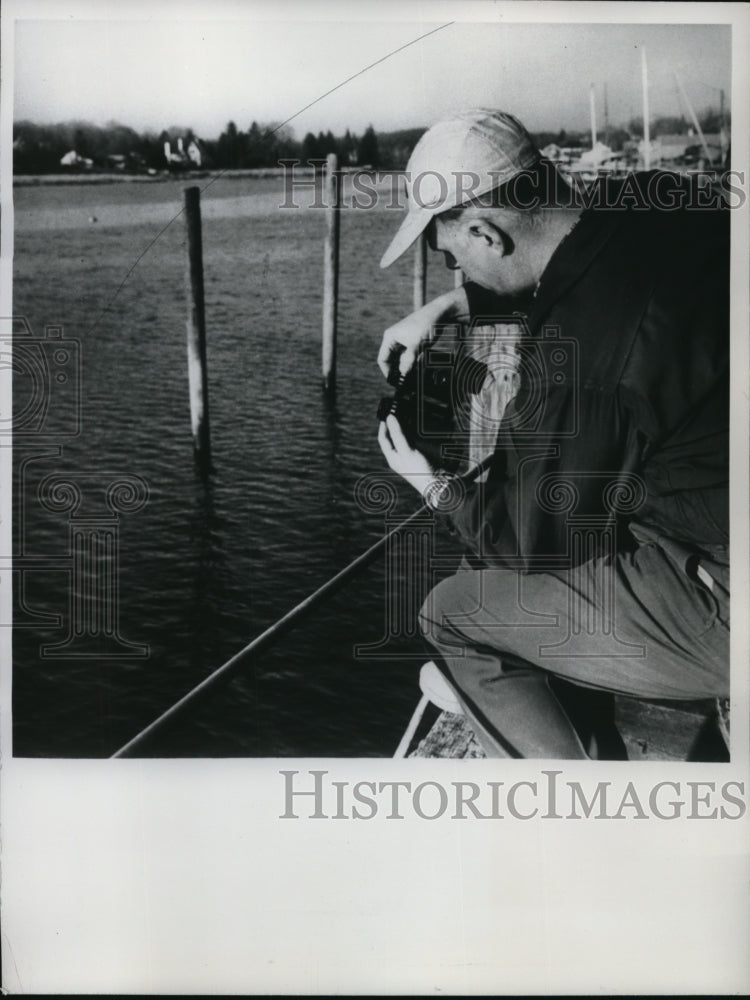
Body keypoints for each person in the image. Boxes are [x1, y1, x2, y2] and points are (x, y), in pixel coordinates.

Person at [377, 109, 729, 759]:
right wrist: (449, 307)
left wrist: (431, 483)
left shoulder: (580, 370)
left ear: (485, 231)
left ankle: (580, 812)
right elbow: (586, 268)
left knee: (451, 612)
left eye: (452, 257)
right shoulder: (662, 199)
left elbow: (529, 541)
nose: (458, 271)